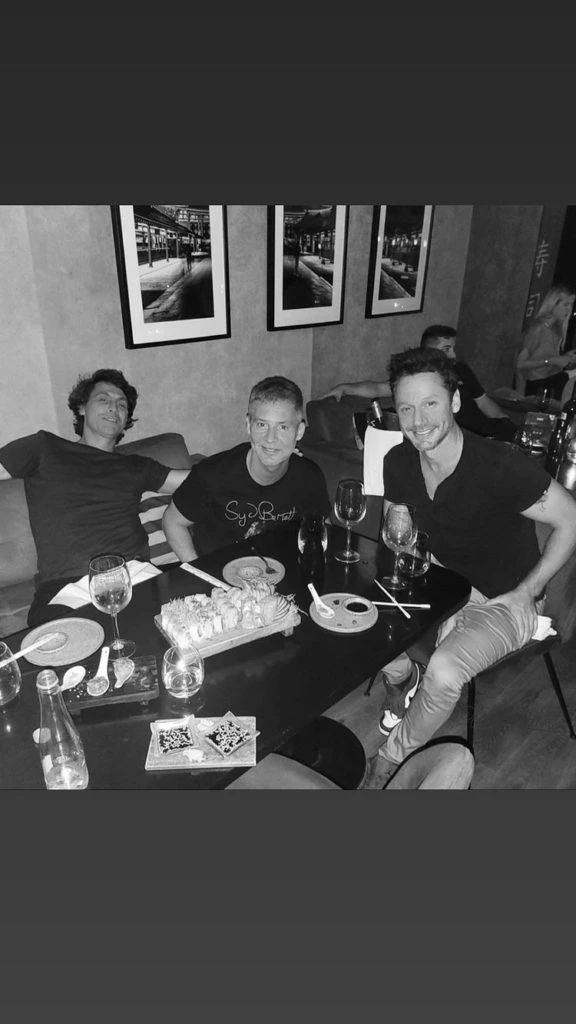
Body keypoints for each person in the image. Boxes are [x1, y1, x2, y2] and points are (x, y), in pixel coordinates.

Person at [373, 347, 576, 781]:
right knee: (353, 615)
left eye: (430, 403)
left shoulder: (499, 465)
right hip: (440, 584)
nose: (418, 420)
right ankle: (403, 679)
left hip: (505, 599)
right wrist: (407, 572)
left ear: (455, 401)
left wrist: (526, 592)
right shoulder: (398, 461)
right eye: (406, 408)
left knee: (445, 671)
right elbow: (395, 534)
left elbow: (571, 519)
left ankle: (387, 761)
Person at [0, 368, 190, 626]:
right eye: (103, 399)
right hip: (65, 587)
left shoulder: (136, 466)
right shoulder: (45, 448)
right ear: (81, 408)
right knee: (58, 646)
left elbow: (196, 482)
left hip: (133, 574)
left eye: (122, 405)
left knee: (188, 630)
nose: (114, 407)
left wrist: (242, 461)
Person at [163, 376, 331, 561]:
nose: (270, 439)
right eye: (262, 425)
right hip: (220, 575)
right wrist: (199, 571)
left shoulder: (308, 476)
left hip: (284, 570)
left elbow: (322, 527)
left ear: (299, 431)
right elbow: (173, 522)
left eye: (283, 427)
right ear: (249, 426)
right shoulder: (212, 475)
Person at [321, 325, 516, 441]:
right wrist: (345, 388)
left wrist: (504, 419)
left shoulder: (461, 369)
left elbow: (483, 401)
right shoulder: (417, 378)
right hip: (463, 436)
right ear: (429, 350)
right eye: (446, 349)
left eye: (453, 348)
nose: (453, 354)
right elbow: (377, 387)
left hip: (488, 429)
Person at [516, 284, 576, 401]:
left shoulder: (557, 329)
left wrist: (567, 357)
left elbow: (552, 358)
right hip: (537, 384)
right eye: (565, 304)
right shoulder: (538, 328)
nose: (569, 310)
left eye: (571, 305)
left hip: (551, 381)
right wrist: (551, 361)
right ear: (553, 304)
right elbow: (520, 364)